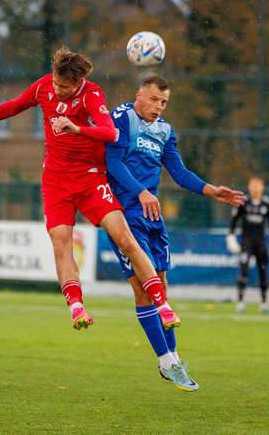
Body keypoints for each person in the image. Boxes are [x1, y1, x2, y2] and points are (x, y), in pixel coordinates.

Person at [0, 47, 181, 331]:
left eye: (65, 87)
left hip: (91, 180)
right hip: (56, 181)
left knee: (125, 239)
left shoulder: (92, 95)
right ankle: (77, 307)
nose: (58, 90)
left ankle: (163, 305)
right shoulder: (45, 86)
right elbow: (14, 105)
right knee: (60, 243)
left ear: (79, 81)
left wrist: (77, 128)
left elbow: (111, 133)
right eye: (56, 84)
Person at [106, 73, 245, 392]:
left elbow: (179, 173)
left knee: (161, 286)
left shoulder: (165, 131)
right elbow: (113, 163)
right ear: (139, 95)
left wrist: (212, 190)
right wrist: (140, 191)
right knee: (143, 289)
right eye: (154, 99)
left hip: (152, 216)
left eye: (164, 102)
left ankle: (172, 360)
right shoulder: (121, 118)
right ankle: (167, 361)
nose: (158, 107)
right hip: (125, 216)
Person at [227, 176, 269, 314]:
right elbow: (233, 223)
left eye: (258, 185)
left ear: (263, 187)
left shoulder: (268, 205)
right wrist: (231, 238)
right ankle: (240, 303)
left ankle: (264, 305)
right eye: (253, 185)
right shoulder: (243, 203)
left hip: (260, 243)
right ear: (249, 187)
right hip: (246, 243)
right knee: (243, 272)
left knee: (263, 273)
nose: (256, 188)